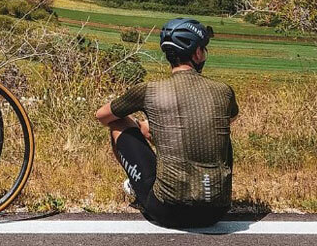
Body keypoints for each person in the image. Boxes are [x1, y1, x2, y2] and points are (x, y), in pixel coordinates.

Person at [95, 18, 239, 229]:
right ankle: (208, 189)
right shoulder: (223, 91)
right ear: (197, 54)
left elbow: (102, 116)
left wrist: (138, 124)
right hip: (216, 211)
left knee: (119, 124)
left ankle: (136, 186)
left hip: (167, 211)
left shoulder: (149, 90)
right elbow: (229, 120)